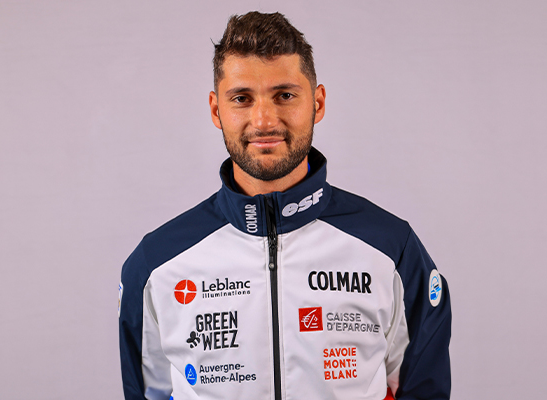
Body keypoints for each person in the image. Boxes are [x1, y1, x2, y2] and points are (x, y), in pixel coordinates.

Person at [119, 11, 451, 400]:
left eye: (285, 95)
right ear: (216, 110)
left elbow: (423, 390)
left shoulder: (393, 250)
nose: (264, 121)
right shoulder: (156, 265)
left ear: (318, 102)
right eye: (242, 98)